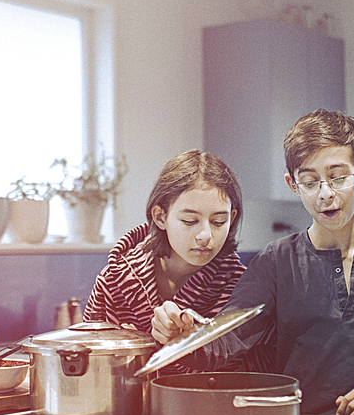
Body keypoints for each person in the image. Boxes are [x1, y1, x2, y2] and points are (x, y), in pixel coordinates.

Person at [152, 110, 354, 415]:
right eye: (309, 182)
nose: (325, 194)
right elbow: (226, 341)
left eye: (338, 177)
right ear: (292, 185)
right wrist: (184, 335)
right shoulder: (275, 262)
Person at [83, 150, 246, 371]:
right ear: (160, 217)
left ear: (232, 218)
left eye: (218, 221)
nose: (205, 235)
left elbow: (250, 370)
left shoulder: (242, 286)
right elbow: (88, 358)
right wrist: (127, 350)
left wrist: (193, 343)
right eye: (190, 221)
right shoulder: (114, 280)